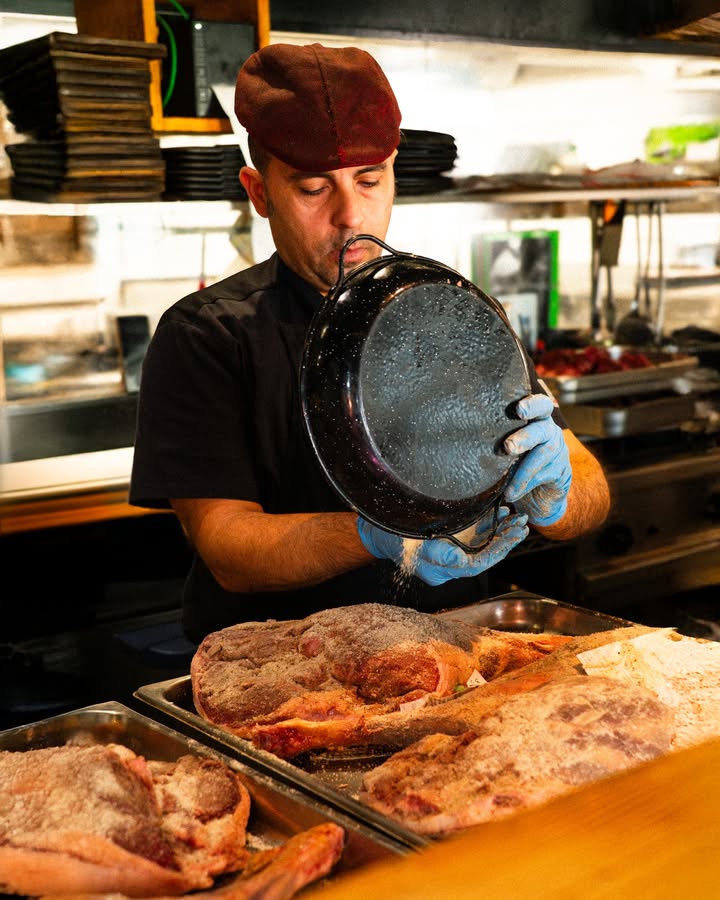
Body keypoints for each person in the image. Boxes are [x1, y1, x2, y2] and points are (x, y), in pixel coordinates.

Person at [129, 42, 610, 643]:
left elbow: (588, 488)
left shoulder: (448, 308)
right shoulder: (208, 334)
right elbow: (227, 547)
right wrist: (374, 536)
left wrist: (557, 496)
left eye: (370, 180)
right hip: (281, 666)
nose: (351, 215)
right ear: (259, 192)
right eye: (313, 189)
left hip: (454, 646)